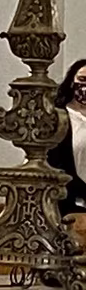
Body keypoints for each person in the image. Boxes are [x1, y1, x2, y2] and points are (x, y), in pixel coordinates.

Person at [49, 59, 86, 216]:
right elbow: (55, 163)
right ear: (72, 82)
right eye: (82, 79)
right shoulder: (58, 116)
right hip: (69, 201)